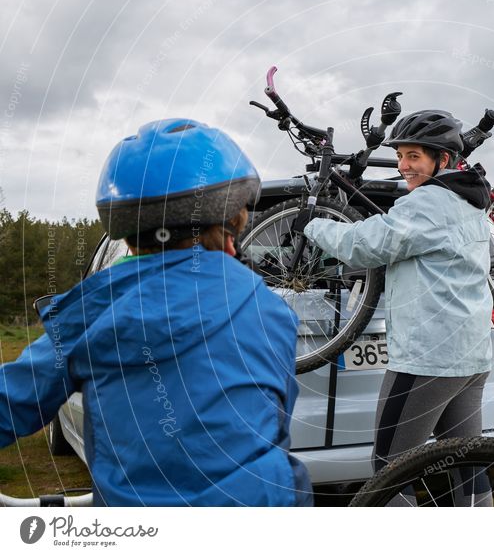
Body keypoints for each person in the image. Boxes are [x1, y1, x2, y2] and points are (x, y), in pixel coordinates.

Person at [0, 118, 312, 506]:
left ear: (128, 231)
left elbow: (11, 401)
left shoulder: (93, 313)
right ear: (229, 224)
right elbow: (274, 420)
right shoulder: (269, 308)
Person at [301, 110, 494, 505]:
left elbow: (364, 244)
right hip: (470, 357)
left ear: (442, 160)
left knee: (390, 469)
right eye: (401, 155)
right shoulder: (471, 201)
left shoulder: (428, 203)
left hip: (426, 360)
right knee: (467, 467)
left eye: (414, 157)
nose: (404, 166)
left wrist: (312, 224)